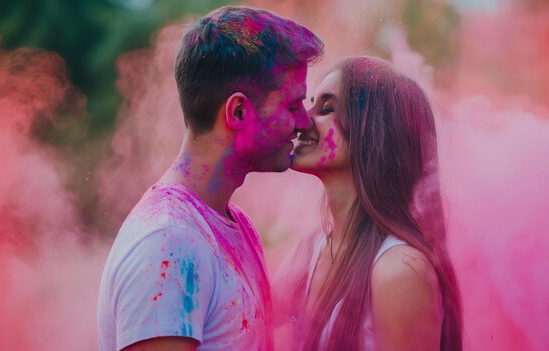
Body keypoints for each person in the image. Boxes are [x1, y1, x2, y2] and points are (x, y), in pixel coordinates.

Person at [97, 6, 323, 351]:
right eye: (292, 105)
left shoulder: (232, 224)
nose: (304, 122)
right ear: (239, 112)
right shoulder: (169, 244)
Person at [286, 56, 462, 350]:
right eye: (311, 103)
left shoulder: (400, 270)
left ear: (373, 133)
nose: (302, 119)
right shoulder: (310, 251)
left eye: (326, 108)